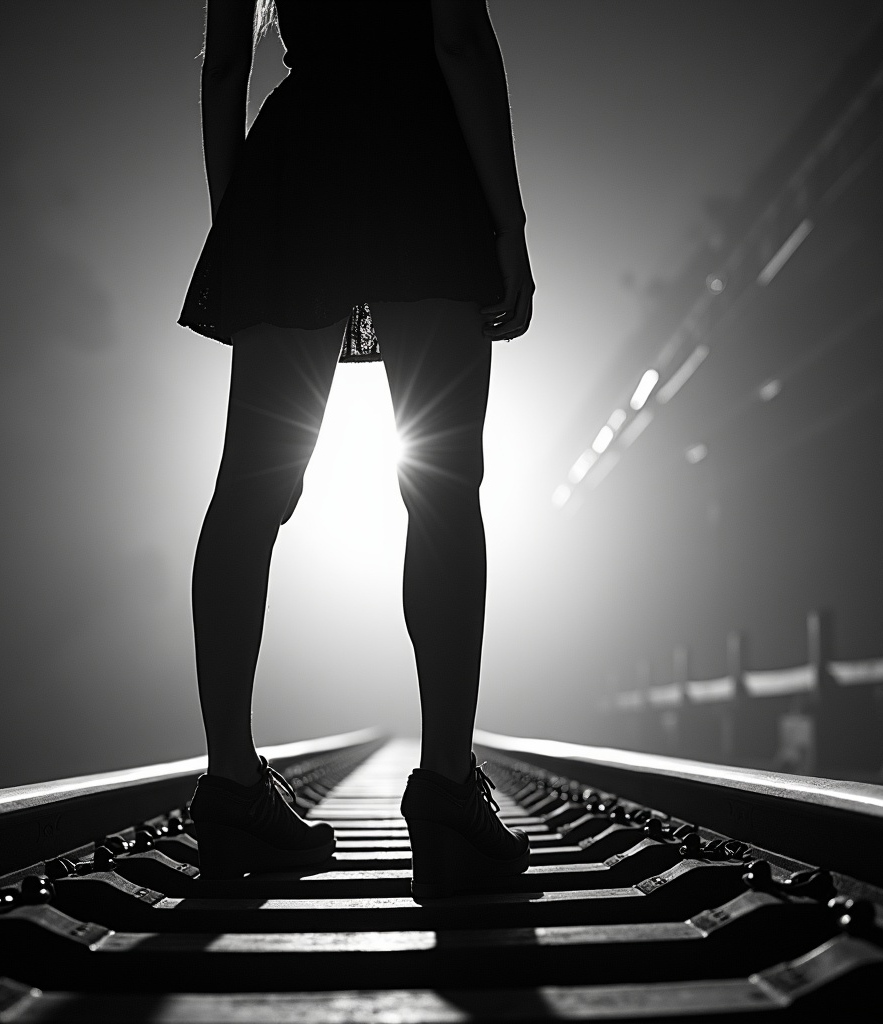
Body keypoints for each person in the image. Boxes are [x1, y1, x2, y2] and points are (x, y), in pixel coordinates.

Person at [178, 0, 535, 897]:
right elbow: (455, 35)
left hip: (297, 167)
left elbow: (225, 66)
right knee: (444, 486)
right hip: (422, 161)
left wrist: (241, 227)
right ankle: (449, 788)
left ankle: (229, 783)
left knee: (250, 491)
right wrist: (510, 227)